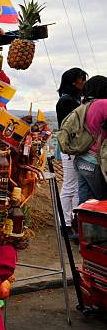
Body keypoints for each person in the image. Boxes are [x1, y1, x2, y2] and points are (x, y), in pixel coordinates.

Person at [55, 68, 87, 237]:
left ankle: (72, 220)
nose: (84, 83)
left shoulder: (69, 100)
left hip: (72, 149)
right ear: (74, 82)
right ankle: (65, 222)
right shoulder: (68, 102)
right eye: (82, 79)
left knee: (74, 187)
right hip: (71, 148)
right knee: (70, 185)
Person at [75, 75, 107, 203]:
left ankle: (77, 223)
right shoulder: (103, 104)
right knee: (102, 203)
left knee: (84, 204)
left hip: (81, 160)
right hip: (95, 161)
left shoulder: (83, 105)